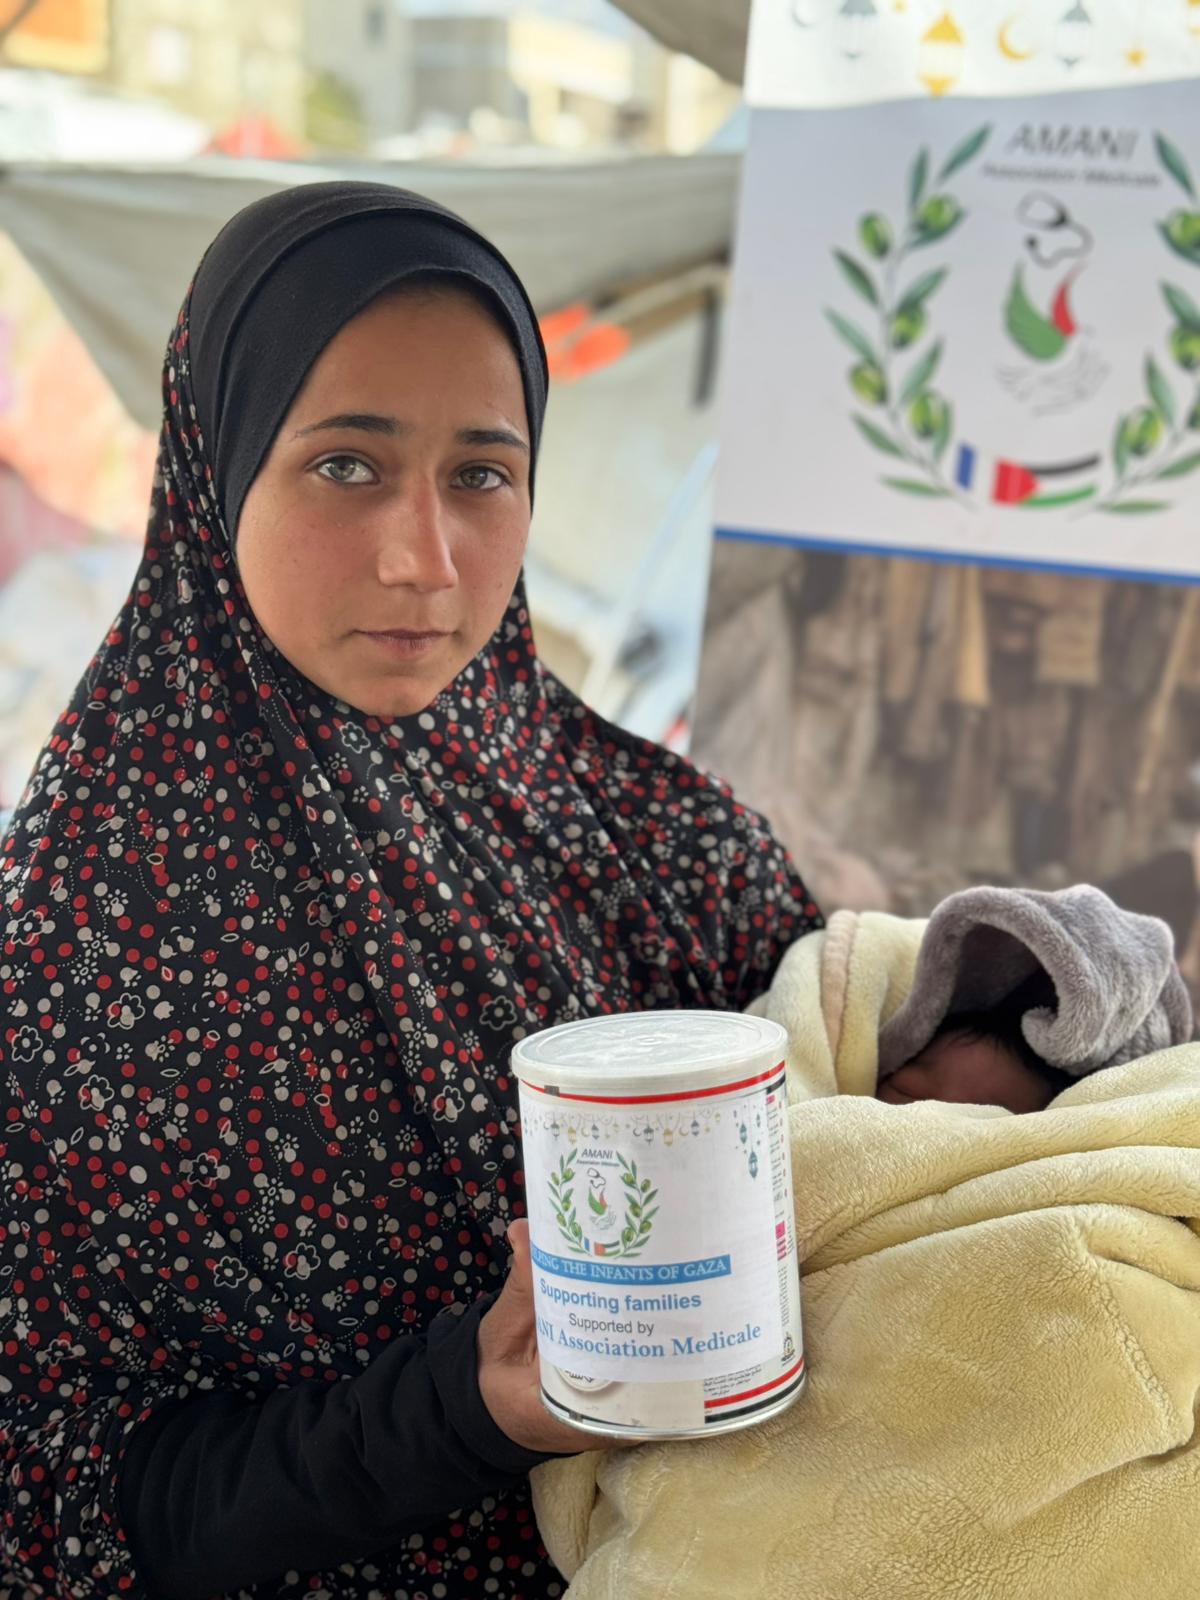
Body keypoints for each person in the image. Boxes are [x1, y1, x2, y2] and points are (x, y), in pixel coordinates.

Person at [0, 183, 820, 1600]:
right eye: (346, 465)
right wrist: (465, 1411)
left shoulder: (609, 811)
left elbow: (830, 1007)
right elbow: (73, 1502)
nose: (423, 560)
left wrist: (988, 1013)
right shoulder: (76, 955)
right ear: (215, 467)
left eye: (482, 474)